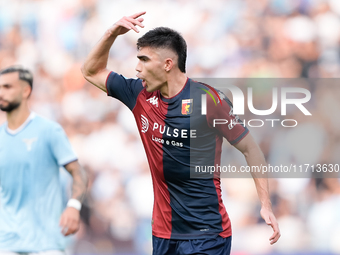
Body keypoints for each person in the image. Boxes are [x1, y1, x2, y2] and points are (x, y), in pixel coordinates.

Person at [81, 12, 280, 255]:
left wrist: (265, 205)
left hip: (207, 234)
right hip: (164, 235)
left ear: (167, 64)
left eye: (144, 60)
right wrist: (111, 34)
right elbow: (91, 71)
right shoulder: (139, 95)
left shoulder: (208, 100)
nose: (137, 68)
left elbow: (251, 149)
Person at [0, 66, 88, 254]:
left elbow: (78, 172)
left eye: (7, 87)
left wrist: (73, 206)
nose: (1, 92)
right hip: (6, 243)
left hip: (46, 244)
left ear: (26, 91)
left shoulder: (49, 131)